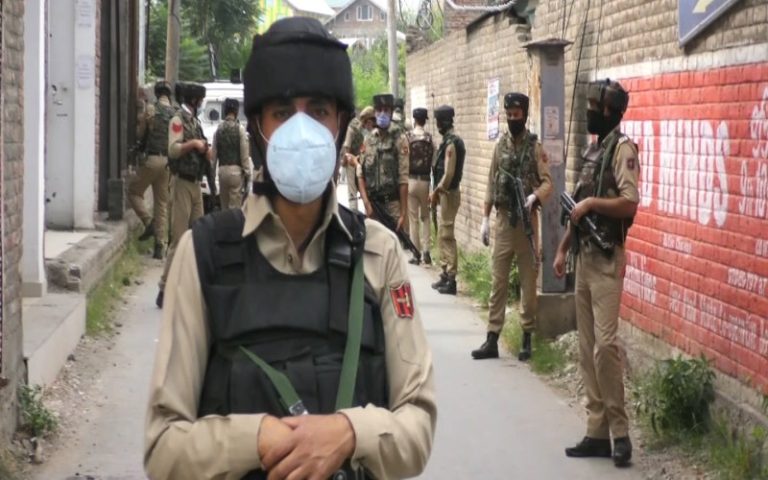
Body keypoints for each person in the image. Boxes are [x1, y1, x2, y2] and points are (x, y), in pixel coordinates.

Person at [144, 17, 436, 480]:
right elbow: (163, 448)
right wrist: (262, 439)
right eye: (282, 113)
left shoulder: (379, 253)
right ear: (259, 128)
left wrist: (347, 433)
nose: (302, 130)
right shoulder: (202, 254)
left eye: (318, 111)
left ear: (340, 123)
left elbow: (417, 427)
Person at [553, 79, 638, 467]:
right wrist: (562, 248)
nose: (588, 111)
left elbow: (629, 203)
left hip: (606, 261)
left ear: (609, 112)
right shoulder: (592, 152)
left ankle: (621, 434)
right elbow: (576, 213)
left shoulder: (622, 150)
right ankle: (596, 431)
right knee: (587, 350)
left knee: (605, 346)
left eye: (593, 106)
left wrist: (590, 203)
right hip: (584, 259)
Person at [472, 93, 552, 361]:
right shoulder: (500, 146)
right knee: (499, 281)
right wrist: (485, 219)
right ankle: (492, 337)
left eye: (517, 115)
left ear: (525, 115)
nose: (512, 119)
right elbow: (491, 183)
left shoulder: (535, 147)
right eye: (509, 115)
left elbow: (547, 183)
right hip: (505, 221)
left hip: (527, 221)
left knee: (529, 283)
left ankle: (527, 337)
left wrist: (534, 197)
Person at [156, 82, 211, 308]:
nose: (201, 103)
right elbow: (173, 149)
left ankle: (193, 288)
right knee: (178, 239)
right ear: (194, 100)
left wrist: (205, 149)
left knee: (199, 238)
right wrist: (194, 144)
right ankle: (164, 288)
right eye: (200, 100)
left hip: (196, 184)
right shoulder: (178, 120)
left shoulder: (195, 122)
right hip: (181, 184)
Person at [128, 80, 175, 260]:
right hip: (168, 163)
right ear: (169, 95)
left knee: (134, 192)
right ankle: (160, 247)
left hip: (152, 159)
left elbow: (141, 134)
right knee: (162, 204)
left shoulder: (150, 110)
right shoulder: (175, 114)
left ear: (156, 94)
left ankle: (148, 222)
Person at [357, 93, 409, 231]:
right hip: (373, 207)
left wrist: (403, 213)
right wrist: (366, 203)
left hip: (393, 206)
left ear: (391, 112)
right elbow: (360, 174)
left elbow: (403, 180)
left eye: (386, 110)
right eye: (379, 110)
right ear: (374, 113)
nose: (382, 114)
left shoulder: (399, 139)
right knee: (375, 249)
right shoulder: (368, 140)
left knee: (398, 247)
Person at [429, 105, 464, 295]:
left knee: (447, 235)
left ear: (443, 122)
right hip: (445, 194)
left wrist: (436, 191)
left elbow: (449, 174)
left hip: (449, 194)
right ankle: (444, 273)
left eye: (438, 122)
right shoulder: (448, 141)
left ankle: (451, 278)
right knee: (442, 232)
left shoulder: (451, 143)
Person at [406, 107, 435, 265]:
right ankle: (426, 252)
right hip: (425, 181)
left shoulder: (408, 137)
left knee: (413, 219)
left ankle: (415, 253)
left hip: (411, 181)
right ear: (425, 121)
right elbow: (434, 161)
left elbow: (404, 159)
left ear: (414, 120)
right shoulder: (430, 139)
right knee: (425, 217)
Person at [212, 97, 251, 209]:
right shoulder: (240, 129)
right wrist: (248, 174)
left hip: (222, 172)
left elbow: (213, 157)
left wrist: (212, 175)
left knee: (224, 207)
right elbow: (244, 156)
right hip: (236, 173)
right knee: (234, 209)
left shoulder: (218, 130)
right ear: (237, 112)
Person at [340, 106, 375, 211]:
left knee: (352, 193)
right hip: (363, 161)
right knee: (364, 190)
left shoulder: (352, 127)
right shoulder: (366, 128)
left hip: (351, 162)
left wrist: (343, 162)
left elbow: (347, 146)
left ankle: (354, 214)